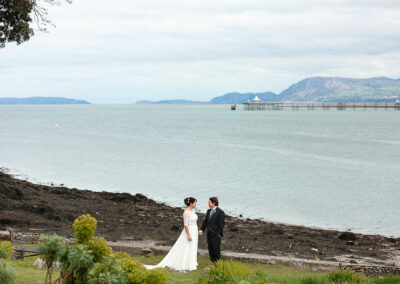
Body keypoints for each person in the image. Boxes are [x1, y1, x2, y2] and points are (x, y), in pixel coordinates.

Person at [145, 197, 198, 271]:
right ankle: (184, 263)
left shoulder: (193, 211)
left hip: (194, 229)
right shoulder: (186, 212)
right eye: (195, 203)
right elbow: (186, 225)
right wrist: (189, 234)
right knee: (186, 246)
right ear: (191, 203)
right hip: (189, 230)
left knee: (192, 246)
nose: (196, 204)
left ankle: (191, 262)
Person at [199, 197, 225, 262]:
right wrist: (201, 230)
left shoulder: (220, 212)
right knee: (210, 250)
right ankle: (212, 263)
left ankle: (217, 264)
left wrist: (219, 234)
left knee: (216, 251)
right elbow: (205, 222)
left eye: (209, 202)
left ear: (213, 203)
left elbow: (221, 224)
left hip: (216, 235)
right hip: (209, 234)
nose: (208, 203)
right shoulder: (208, 211)